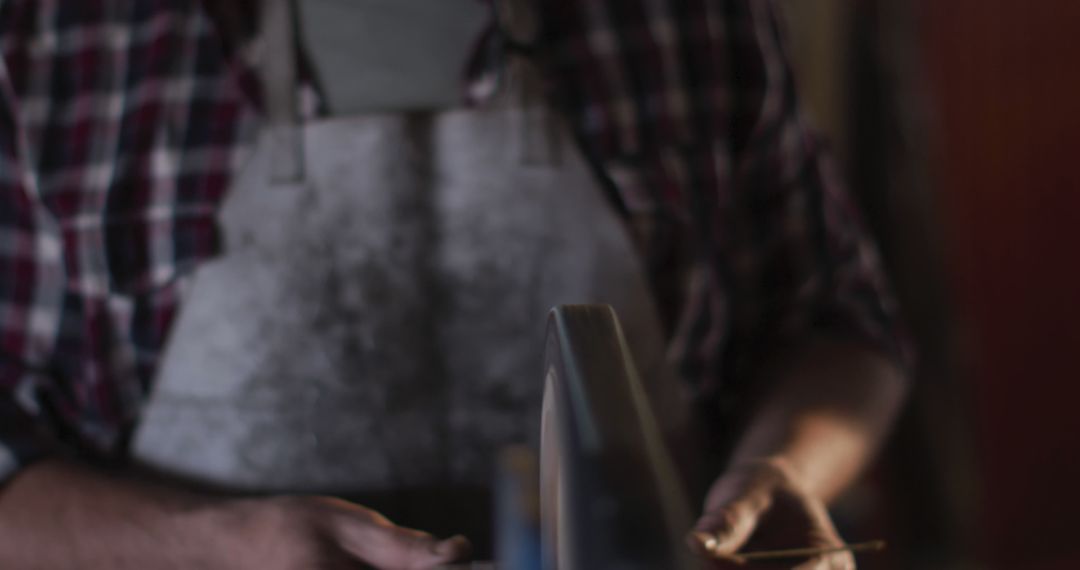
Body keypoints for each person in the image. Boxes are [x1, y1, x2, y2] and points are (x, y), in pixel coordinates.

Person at [0, 0, 908, 568]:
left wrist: (785, 468)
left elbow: (838, 316)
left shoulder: (686, 15)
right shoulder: (50, 35)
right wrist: (206, 548)